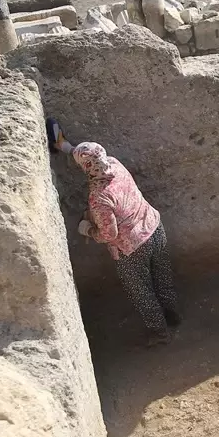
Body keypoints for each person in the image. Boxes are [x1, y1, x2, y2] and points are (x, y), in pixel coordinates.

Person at [70, 140, 181, 344]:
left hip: (132, 248)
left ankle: (159, 333)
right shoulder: (115, 163)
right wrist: (67, 147)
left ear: (85, 167)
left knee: (142, 292)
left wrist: (89, 230)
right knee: (162, 277)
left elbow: (109, 234)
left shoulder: (99, 197)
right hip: (154, 227)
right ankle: (172, 316)